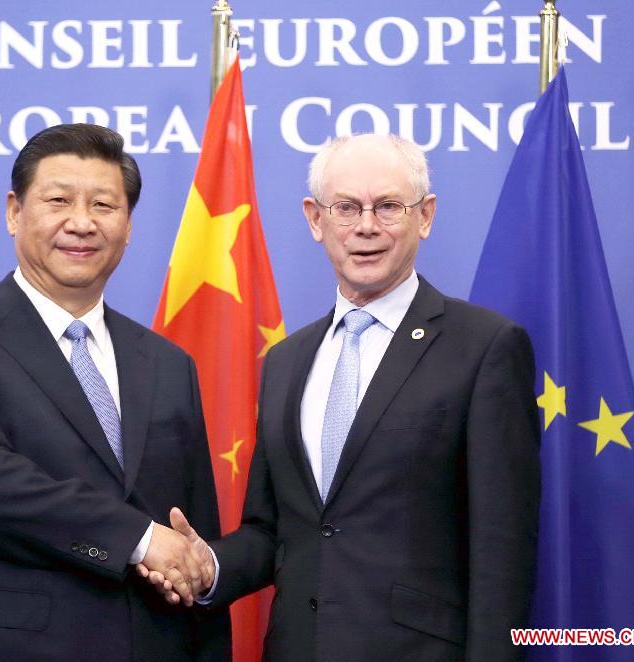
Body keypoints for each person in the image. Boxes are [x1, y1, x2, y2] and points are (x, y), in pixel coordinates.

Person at [151, 133, 540, 661]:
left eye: (389, 206)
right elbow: (274, 531)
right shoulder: (287, 361)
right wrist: (210, 565)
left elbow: (503, 549)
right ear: (316, 219)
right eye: (346, 207)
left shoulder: (484, 347)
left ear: (425, 216)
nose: (366, 226)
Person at [0, 123, 230, 662]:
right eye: (58, 201)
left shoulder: (168, 363)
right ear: (14, 212)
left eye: (103, 205)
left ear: (128, 225)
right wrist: (140, 539)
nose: (81, 222)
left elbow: (192, 536)